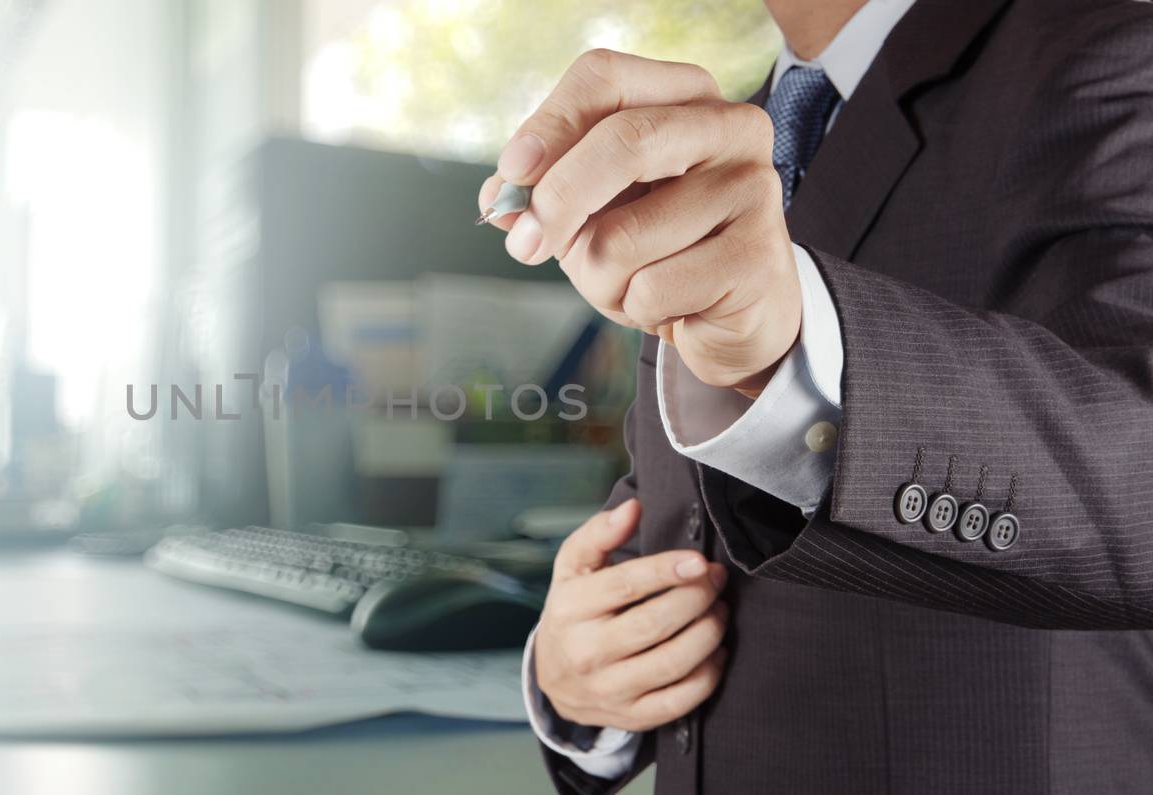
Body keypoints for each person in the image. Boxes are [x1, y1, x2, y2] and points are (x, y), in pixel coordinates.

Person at [477, 0, 1153, 791]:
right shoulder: (737, 132)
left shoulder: (1109, 49)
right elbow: (694, 506)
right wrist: (575, 679)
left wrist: (798, 335)